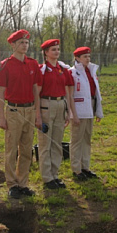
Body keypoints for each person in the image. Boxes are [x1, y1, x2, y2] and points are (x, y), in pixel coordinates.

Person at [0, 29, 43, 199]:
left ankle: (23, 183)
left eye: (26, 43)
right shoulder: (6, 65)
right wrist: (1, 116)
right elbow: (1, 93)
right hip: (13, 111)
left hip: (29, 110)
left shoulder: (32, 64)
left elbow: (35, 91)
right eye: (21, 43)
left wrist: (38, 114)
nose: (25, 46)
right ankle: (12, 184)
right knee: (11, 149)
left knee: (26, 149)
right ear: (13, 45)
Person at [38, 39, 76, 190]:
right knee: (45, 143)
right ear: (46, 53)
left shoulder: (62, 69)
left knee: (57, 142)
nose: (56, 52)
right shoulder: (42, 70)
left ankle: (55, 174)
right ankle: (47, 177)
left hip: (61, 104)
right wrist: (38, 114)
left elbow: (66, 90)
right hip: (46, 105)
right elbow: (37, 91)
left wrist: (68, 110)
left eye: (58, 49)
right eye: (53, 49)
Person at [69, 47, 103, 181]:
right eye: (84, 56)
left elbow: (96, 92)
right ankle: (76, 169)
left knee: (87, 139)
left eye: (88, 56)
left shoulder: (91, 71)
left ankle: (85, 167)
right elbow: (70, 95)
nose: (87, 59)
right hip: (79, 109)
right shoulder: (73, 73)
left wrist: (98, 111)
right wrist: (74, 114)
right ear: (77, 58)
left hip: (90, 107)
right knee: (77, 140)